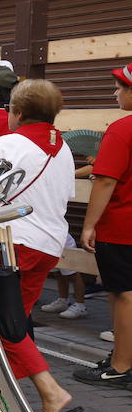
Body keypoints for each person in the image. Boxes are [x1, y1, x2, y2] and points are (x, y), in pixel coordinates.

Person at [0, 79, 80, 412]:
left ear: (17, 112)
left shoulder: (8, 142)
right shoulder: (63, 148)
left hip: (8, 242)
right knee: (13, 320)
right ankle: (0, 391)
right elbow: (65, 195)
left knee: (1, 323)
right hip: (48, 244)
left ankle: (51, 392)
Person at [77, 64, 132, 385]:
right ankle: (121, 357)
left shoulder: (122, 129)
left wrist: (89, 225)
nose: (115, 92)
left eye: (120, 87)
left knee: (122, 294)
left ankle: (122, 366)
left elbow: (105, 181)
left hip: (120, 225)